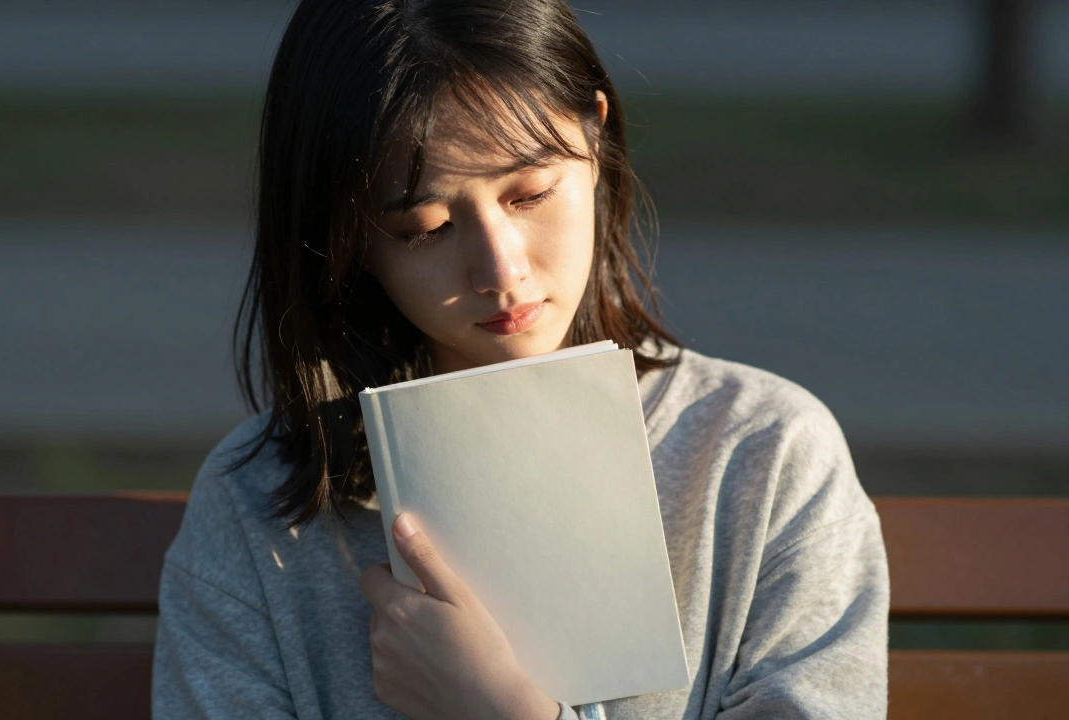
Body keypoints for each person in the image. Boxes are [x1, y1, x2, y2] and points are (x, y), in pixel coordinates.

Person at [151, 0, 890, 718]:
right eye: (425, 228)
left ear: (595, 141)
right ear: (346, 242)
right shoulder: (256, 512)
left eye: (530, 193)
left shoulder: (762, 458)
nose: (500, 271)